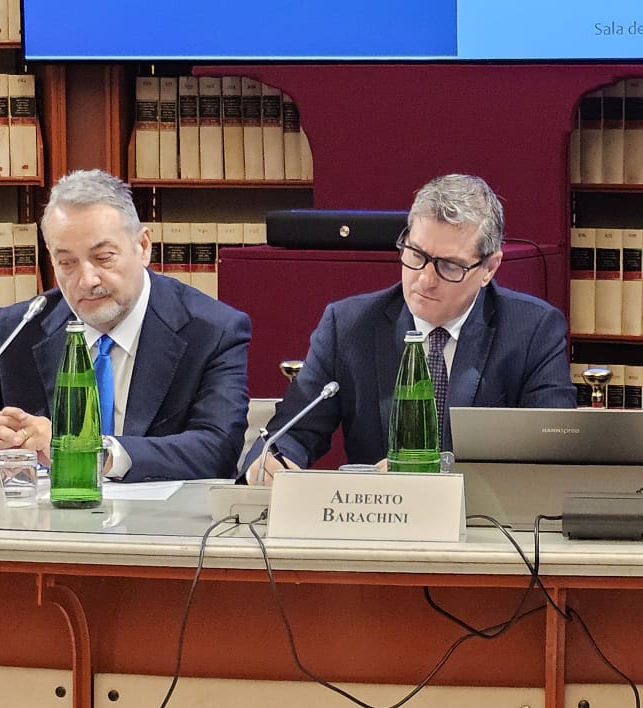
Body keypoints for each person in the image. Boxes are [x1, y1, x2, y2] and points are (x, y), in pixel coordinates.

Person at [0, 169, 251, 481]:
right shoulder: (19, 329)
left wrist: (90, 453)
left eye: (103, 258)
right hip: (42, 532)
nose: (86, 280)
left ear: (143, 246)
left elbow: (217, 449)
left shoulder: (213, 330)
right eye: (67, 263)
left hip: (163, 532)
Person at [244, 173, 574, 479]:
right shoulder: (347, 326)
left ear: (489, 268)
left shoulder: (532, 331)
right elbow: (291, 433)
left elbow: (554, 450)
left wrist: (433, 471)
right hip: (380, 518)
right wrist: (270, 463)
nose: (425, 279)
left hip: (483, 517)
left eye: (449, 266)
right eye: (416, 255)